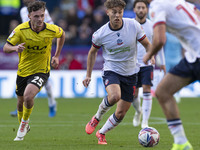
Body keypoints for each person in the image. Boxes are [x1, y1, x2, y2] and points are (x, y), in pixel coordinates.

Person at [82, 0, 152, 145]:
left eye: (120, 12)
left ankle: (101, 133)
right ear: (107, 12)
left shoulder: (133, 26)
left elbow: (147, 44)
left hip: (131, 73)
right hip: (111, 71)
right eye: (114, 12)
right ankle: (97, 117)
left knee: (121, 113)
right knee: (114, 96)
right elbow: (92, 53)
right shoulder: (100, 34)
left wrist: (151, 55)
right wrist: (88, 74)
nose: (117, 16)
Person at [3, 1, 65, 141]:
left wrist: (56, 55)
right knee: (20, 103)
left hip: (41, 70)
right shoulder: (20, 30)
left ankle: (23, 125)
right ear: (29, 15)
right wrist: (15, 48)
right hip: (23, 71)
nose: (40, 19)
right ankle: (23, 123)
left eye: (42, 16)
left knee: (28, 96)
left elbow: (62, 34)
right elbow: (6, 47)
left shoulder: (50, 29)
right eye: (36, 16)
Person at [144, 0, 200, 149]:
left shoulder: (157, 5)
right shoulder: (180, 2)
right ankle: (181, 142)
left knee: (163, 92)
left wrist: (148, 54)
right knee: (163, 91)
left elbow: (160, 39)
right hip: (193, 57)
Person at [10, 0, 57, 118]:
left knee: (44, 80)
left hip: (41, 47)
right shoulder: (23, 11)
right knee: (24, 75)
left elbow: (53, 26)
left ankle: (52, 104)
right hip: (27, 47)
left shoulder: (41, 12)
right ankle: (20, 106)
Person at [131, 0, 166, 128]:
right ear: (134, 9)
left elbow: (159, 44)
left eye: (143, 8)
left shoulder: (152, 26)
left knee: (147, 89)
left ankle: (145, 121)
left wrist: (161, 62)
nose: (141, 10)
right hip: (132, 64)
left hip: (148, 63)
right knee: (134, 93)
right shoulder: (130, 25)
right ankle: (138, 111)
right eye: (138, 7)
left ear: (147, 10)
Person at [164, 32, 184, 103]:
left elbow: (183, 49)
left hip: (177, 59)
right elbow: (161, 45)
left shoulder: (180, 35)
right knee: (166, 78)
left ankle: (177, 94)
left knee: (178, 79)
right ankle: (167, 94)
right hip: (167, 60)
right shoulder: (166, 34)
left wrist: (184, 59)